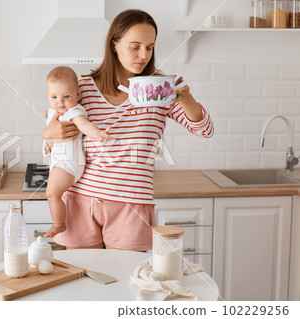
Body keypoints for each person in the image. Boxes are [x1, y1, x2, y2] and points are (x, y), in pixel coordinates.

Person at [42, 10, 214, 251]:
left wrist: (186, 98)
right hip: (81, 201)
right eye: (135, 46)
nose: (143, 55)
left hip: (132, 206)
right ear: (115, 45)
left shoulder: (159, 89)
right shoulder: (81, 89)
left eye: (150, 47)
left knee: (124, 283)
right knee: (85, 281)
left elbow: (205, 130)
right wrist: (47, 135)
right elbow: (54, 134)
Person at [43, 66, 114, 238]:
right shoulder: (54, 111)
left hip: (68, 164)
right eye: (54, 97)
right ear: (47, 96)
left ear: (78, 95)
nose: (60, 102)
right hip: (60, 163)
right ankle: (59, 223)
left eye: (66, 96)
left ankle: (59, 224)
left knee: (52, 194)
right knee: (54, 194)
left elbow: (85, 125)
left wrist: (98, 134)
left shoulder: (74, 111)